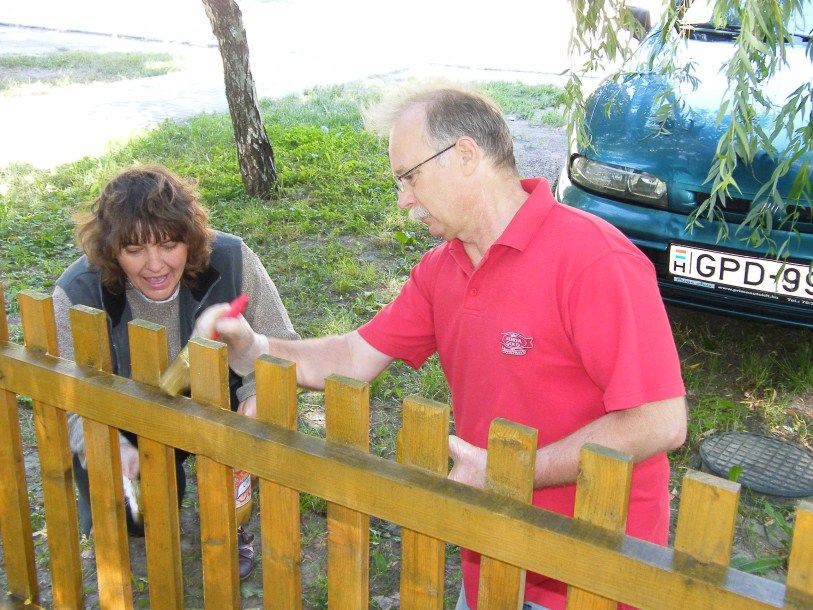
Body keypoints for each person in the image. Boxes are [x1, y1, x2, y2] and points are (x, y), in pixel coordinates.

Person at [197, 84, 688, 609]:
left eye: (409, 176)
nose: (403, 199)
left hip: (595, 575)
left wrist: (509, 472)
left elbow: (659, 421)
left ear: (465, 155)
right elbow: (354, 357)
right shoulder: (443, 269)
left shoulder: (595, 260)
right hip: (492, 559)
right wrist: (254, 347)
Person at [53, 164, 299, 580]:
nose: (155, 265)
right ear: (111, 250)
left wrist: (258, 394)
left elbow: (281, 343)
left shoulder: (232, 260)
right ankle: (137, 503)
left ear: (191, 237)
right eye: (134, 250)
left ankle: (231, 521)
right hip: (128, 415)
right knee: (134, 519)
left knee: (236, 476)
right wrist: (105, 443)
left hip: (216, 403)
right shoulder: (78, 291)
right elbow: (69, 398)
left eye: (169, 245)